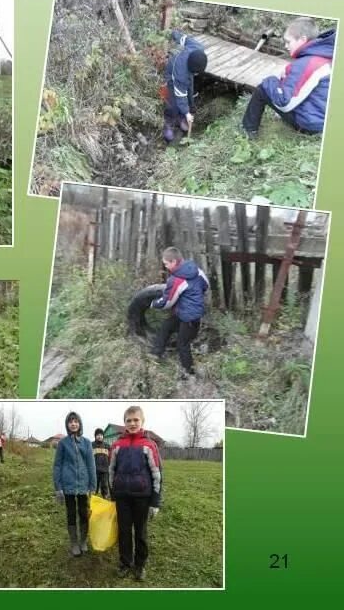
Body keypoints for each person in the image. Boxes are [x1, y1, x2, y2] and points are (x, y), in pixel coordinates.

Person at [242, 18, 334, 139]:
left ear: (302, 40)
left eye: (288, 42)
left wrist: (270, 80)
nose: (285, 46)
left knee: (263, 89)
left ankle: (249, 130)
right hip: (323, 116)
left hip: (312, 125)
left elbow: (285, 103)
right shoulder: (326, 54)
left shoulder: (306, 64)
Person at [109, 406, 163, 582]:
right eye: (129, 420)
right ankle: (125, 563)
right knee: (124, 532)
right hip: (122, 497)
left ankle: (140, 565)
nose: (132, 423)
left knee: (140, 533)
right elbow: (111, 470)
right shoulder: (117, 445)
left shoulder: (149, 445)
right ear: (124, 423)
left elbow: (157, 473)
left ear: (142, 422)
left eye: (136, 420)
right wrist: (113, 493)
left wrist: (155, 502)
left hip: (142, 497)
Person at [151, 247, 210, 378]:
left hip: (189, 318)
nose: (165, 267)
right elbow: (206, 285)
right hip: (187, 313)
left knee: (182, 344)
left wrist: (153, 304)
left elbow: (168, 302)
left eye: (166, 263)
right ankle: (156, 353)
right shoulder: (197, 270)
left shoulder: (176, 280)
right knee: (166, 326)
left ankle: (189, 372)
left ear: (173, 262)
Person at [52, 411, 96, 557]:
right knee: (71, 514)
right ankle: (74, 543)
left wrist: (92, 485)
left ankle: (83, 540)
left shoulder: (87, 443)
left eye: (76, 421)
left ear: (80, 424)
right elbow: (57, 465)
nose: (73, 424)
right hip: (68, 486)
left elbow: (91, 465)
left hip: (83, 485)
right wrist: (58, 487)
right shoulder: (63, 444)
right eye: (70, 421)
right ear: (67, 425)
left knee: (84, 513)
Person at [162, 30, 208, 143]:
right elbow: (180, 96)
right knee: (173, 102)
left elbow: (184, 38)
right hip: (172, 75)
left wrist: (174, 33)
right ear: (192, 70)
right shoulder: (180, 75)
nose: (196, 75)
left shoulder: (198, 47)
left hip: (187, 70)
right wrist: (187, 113)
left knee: (190, 92)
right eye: (196, 73)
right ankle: (169, 124)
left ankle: (182, 116)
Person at [92, 428, 111, 498]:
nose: (99, 436)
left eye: (101, 435)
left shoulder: (107, 446)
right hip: (94, 470)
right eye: (97, 435)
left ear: (103, 436)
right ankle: (93, 498)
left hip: (105, 470)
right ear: (95, 436)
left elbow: (110, 458)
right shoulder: (91, 445)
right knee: (94, 486)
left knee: (104, 485)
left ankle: (105, 497)